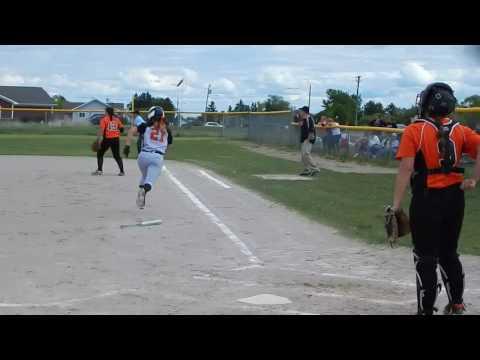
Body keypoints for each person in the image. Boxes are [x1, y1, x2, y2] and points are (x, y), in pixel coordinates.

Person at [392, 82, 480, 315]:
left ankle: (426, 308)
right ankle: (457, 303)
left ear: (427, 104)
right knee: (449, 253)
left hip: (426, 198)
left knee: (426, 256)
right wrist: (474, 179)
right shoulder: (461, 130)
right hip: (455, 199)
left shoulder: (415, 129)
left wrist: (396, 206)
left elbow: (406, 169)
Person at [123, 106, 173, 209]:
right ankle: (144, 190)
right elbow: (169, 145)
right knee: (149, 182)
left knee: (145, 175)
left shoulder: (145, 126)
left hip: (142, 156)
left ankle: (141, 197)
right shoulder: (167, 129)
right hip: (157, 156)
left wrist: (127, 146)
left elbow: (131, 131)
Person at [92, 107, 125, 176]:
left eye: (105, 111)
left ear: (107, 112)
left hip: (107, 139)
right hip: (116, 139)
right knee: (116, 155)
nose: (104, 112)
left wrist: (98, 140)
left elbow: (101, 130)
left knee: (100, 153)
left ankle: (100, 170)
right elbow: (122, 129)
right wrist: (117, 130)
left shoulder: (104, 119)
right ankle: (122, 171)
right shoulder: (117, 119)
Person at [297, 106, 320, 176]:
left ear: (304, 112)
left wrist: (308, 139)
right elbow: (300, 125)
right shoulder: (303, 119)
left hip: (309, 138)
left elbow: (312, 129)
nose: (300, 112)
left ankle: (315, 168)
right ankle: (307, 169)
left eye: (301, 111)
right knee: (303, 155)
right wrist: (300, 118)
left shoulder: (309, 119)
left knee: (306, 153)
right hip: (304, 139)